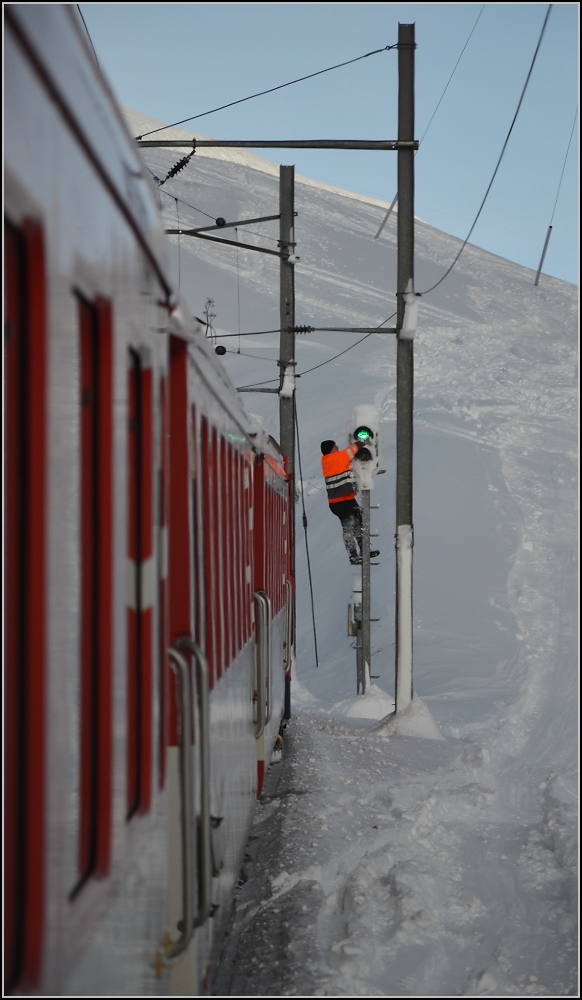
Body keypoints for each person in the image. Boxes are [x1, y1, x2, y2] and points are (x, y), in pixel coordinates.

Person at [320, 440, 380, 565]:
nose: (338, 447)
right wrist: (362, 441)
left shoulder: (332, 460)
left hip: (346, 499)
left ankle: (364, 550)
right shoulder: (334, 458)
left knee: (358, 522)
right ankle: (353, 555)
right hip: (339, 502)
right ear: (331, 450)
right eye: (335, 446)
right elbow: (351, 450)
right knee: (349, 526)